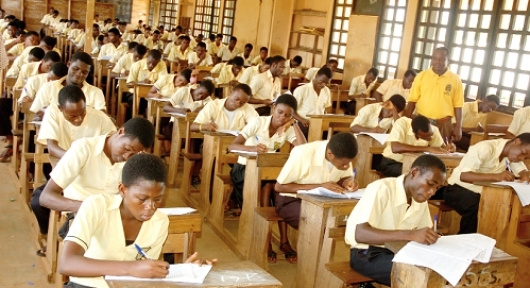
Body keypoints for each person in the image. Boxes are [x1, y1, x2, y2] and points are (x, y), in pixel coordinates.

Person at [58, 153, 216, 288]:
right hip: (87, 285)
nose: (151, 207)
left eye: (158, 199)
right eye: (142, 199)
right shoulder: (96, 206)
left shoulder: (160, 222)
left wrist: (184, 271)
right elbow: (67, 263)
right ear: (123, 190)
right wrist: (131, 268)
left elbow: (147, 272)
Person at [35, 118, 155, 237]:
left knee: (153, 233)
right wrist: (91, 208)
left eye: (134, 154)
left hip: (113, 218)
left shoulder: (133, 161)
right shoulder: (83, 148)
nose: (127, 156)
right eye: (127, 149)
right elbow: (45, 197)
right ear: (120, 132)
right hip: (80, 215)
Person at [345, 154, 446, 286]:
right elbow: (360, 234)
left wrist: (431, 236)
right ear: (414, 172)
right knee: (416, 276)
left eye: (437, 188)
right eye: (430, 184)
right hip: (366, 253)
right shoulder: (381, 188)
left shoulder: (419, 200)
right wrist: (411, 235)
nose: (432, 192)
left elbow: (423, 232)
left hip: (398, 252)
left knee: (438, 270)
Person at [229, 94, 306, 263]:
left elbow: (302, 148)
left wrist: (294, 124)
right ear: (273, 109)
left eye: (288, 115)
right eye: (280, 112)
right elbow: (233, 145)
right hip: (245, 170)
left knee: (281, 192)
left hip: (268, 172)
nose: (282, 117)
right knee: (270, 188)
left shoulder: (288, 127)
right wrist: (252, 148)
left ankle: (282, 241)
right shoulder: (258, 122)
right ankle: (269, 241)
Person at [274, 132, 359, 264]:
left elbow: (345, 177)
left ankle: (335, 263)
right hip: (291, 200)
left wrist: (348, 182)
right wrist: (319, 185)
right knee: (322, 224)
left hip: (323, 201)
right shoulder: (303, 153)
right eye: (343, 165)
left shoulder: (343, 154)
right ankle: (316, 264)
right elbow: (280, 187)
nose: (346, 167)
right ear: (330, 154)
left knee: (349, 220)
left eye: (349, 163)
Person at [440, 133, 530, 234]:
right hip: (457, 189)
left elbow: (522, 171)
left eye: (526, 157)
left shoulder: (513, 155)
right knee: (477, 205)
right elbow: (464, 176)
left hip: (483, 193)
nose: (522, 158)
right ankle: (466, 240)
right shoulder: (485, 148)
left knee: (505, 205)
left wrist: (525, 174)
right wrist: (497, 176)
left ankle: (496, 238)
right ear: (516, 142)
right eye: (523, 153)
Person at [37, 85, 117, 160]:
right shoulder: (53, 113)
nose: (79, 119)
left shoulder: (100, 117)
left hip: (93, 165)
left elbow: (115, 144)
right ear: (60, 108)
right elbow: (52, 147)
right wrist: (76, 160)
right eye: (72, 116)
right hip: (63, 161)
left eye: (82, 113)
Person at [404, 47, 464, 141]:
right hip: (422, 122)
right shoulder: (421, 76)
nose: (437, 62)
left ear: (448, 60)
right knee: (418, 151)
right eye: (434, 58)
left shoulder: (455, 79)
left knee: (441, 152)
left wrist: (458, 126)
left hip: (444, 124)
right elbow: (412, 100)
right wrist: (406, 121)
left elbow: (458, 105)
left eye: (442, 59)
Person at [30, 51, 106, 117]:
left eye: (84, 72)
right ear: (69, 64)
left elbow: (102, 115)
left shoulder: (96, 92)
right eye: (76, 69)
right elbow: (36, 112)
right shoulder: (48, 88)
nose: (79, 74)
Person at [377, 115, 455, 177]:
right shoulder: (402, 123)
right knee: (419, 174)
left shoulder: (433, 130)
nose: (430, 138)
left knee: (437, 173)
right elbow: (395, 148)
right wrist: (427, 149)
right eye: (426, 137)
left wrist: (449, 148)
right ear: (416, 134)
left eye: (431, 135)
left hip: (414, 166)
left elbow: (441, 148)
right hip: (391, 163)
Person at [191, 83, 258, 132]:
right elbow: (193, 126)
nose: (238, 103)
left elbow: (257, 125)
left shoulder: (248, 109)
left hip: (236, 145)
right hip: (214, 142)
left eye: (242, 102)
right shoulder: (214, 105)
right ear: (231, 92)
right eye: (236, 99)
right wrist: (204, 126)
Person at [292, 66, 332, 137]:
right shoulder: (302, 90)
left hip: (319, 123)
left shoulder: (326, 91)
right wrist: (302, 120)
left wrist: (326, 117)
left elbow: (326, 108)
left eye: (326, 83)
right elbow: (291, 111)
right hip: (302, 122)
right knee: (305, 131)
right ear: (316, 76)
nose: (323, 85)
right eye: (321, 81)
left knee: (330, 134)